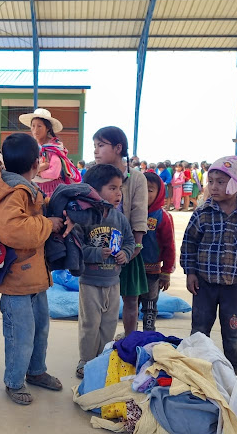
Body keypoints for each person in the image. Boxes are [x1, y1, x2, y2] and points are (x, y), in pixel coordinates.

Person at [0, 133, 68, 405]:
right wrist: (49, 224)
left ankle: (35, 371)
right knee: (20, 335)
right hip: (17, 281)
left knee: (40, 329)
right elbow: (13, 230)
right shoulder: (15, 192)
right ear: (37, 163)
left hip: (34, 278)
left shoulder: (25, 188)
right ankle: (14, 381)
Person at [181, 156, 237, 385]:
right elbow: (189, 244)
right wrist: (190, 272)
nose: (214, 187)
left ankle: (235, 370)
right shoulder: (202, 213)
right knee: (200, 328)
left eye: (221, 182)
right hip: (204, 284)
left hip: (234, 287)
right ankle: (197, 367)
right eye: (211, 181)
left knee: (234, 332)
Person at [75, 164, 135, 378]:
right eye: (112, 188)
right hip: (90, 281)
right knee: (90, 324)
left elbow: (129, 242)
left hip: (113, 281)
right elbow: (77, 247)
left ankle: (101, 359)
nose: (118, 193)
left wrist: (125, 254)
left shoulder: (119, 218)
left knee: (109, 324)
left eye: (120, 188)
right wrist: (96, 253)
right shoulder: (84, 217)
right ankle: (86, 361)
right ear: (94, 190)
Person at [92, 127, 147, 336]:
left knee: (131, 297)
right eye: (95, 146)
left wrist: (136, 246)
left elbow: (139, 211)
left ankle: (130, 337)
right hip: (99, 247)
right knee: (100, 297)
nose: (96, 151)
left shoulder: (136, 178)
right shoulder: (93, 175)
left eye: (101, 145)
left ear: (118, 148)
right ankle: (98, 341)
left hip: (129, 247)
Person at [140, 172, 175, 332]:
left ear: (159, 192)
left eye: (150, 190)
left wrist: (166, 272)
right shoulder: (130, 212)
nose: (145, 194)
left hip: (152, 271)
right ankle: (130, 334)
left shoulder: (162, 216)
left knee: (150, 304)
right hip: (131, 269)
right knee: (131, 303)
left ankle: (148, 333)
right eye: (141, 188)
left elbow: (170, 246)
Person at [19, 108, 81, 198]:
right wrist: (43, 166)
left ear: (47, 128)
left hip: (51, 190)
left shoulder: (54, 148)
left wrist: (37, 172)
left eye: (39, 126)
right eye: (33, 126)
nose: (35, 129)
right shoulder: (29, 147)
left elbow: (54, 173)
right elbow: (24, 168)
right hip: (33, 188)